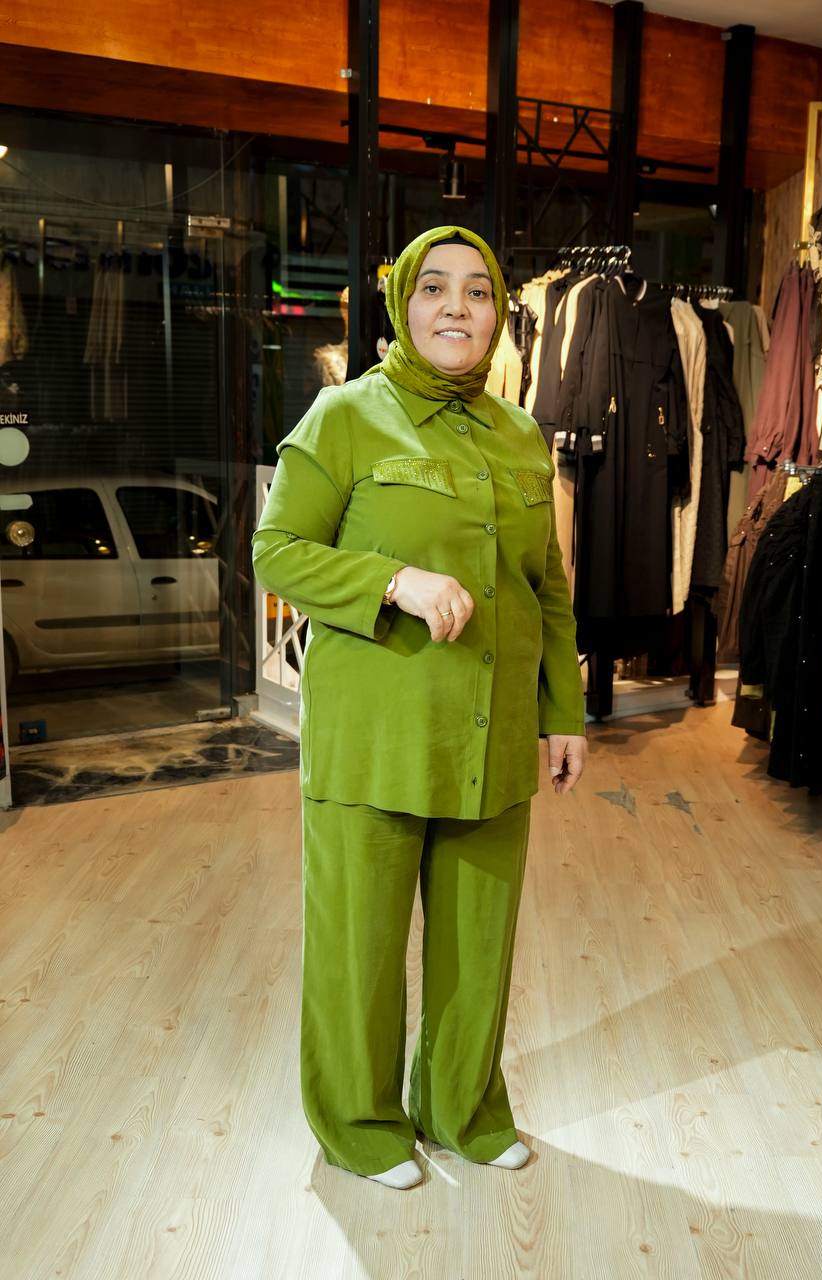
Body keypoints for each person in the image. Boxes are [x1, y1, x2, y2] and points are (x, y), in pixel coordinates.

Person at [252, 225, 587, 1190]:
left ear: (497, 315)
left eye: (477, 292)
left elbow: (545, 587)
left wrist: (563, 713)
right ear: (402, 303)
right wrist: (393, 581)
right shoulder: (345, 415)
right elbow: (276, 552)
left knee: (478, 944)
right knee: (359, 945)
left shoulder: (520, 434)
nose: (456, 307)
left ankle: (462, 1110)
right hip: (376, 736)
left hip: (491, 736)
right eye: (434, 287)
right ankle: (360, 1125)